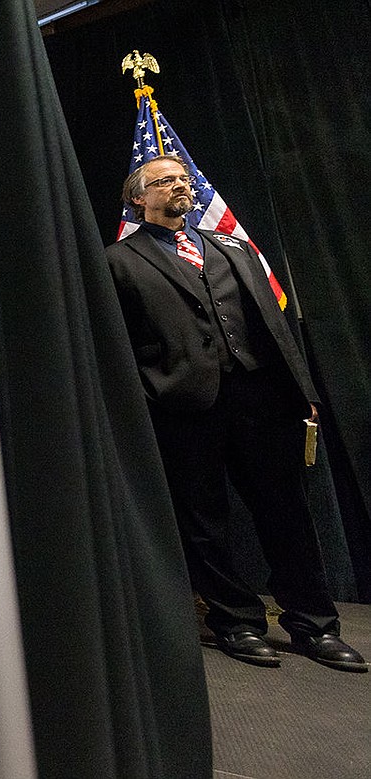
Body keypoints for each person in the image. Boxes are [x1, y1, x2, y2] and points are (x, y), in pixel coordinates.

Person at [105, 154, 367, 672]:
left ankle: (314, 625)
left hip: (262, 403)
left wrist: (302, 390)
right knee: (204, 522)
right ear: (138, 197)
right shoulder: (117, 260)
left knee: (287, 515)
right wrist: (150, 393)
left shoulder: (234, 248)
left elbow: (273, 323)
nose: (181, 186)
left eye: (184, 179)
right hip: (184, 409)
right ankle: (236, 623)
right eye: (166, 181)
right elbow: (117, 343)